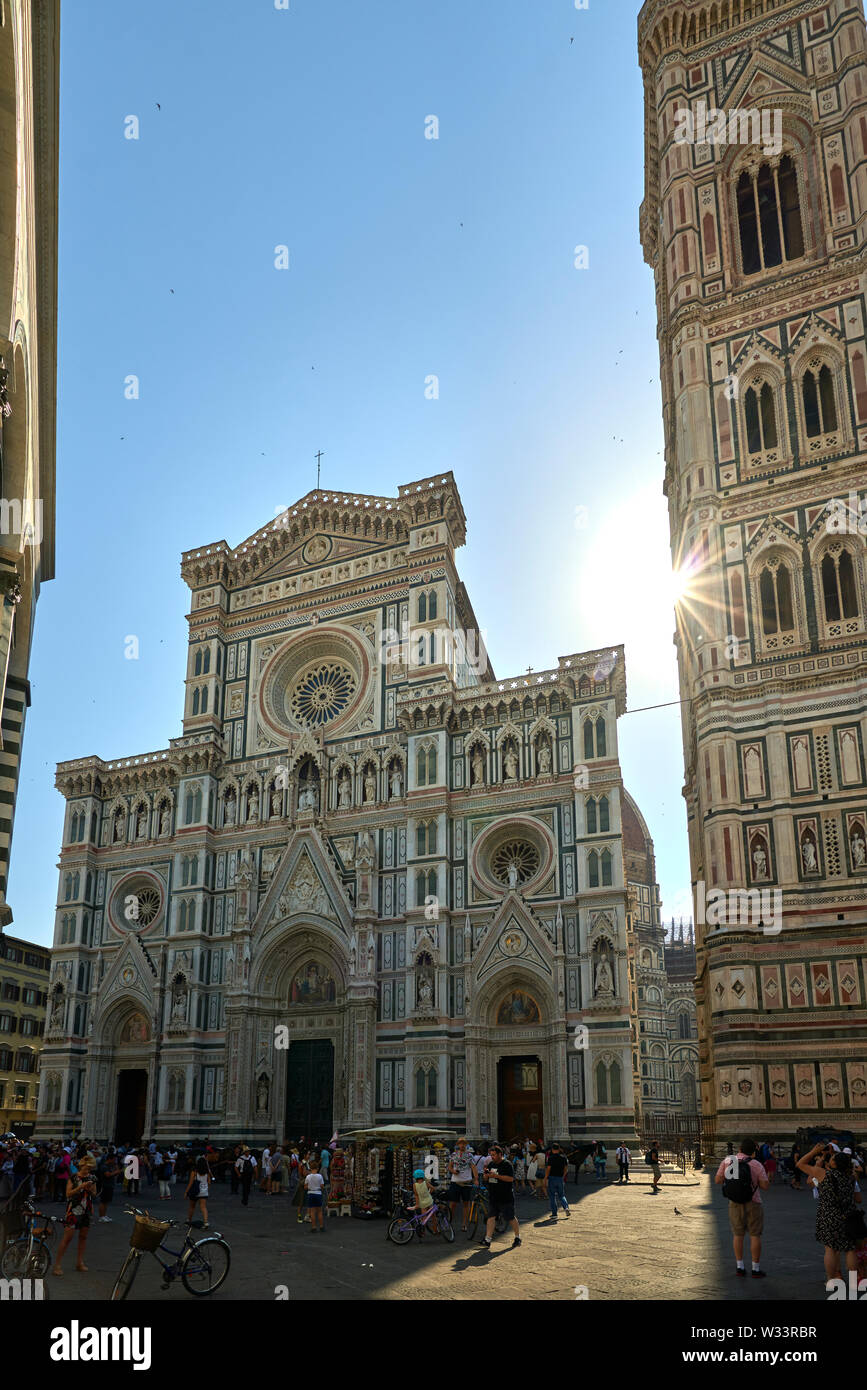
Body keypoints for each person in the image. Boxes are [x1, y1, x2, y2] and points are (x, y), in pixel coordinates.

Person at [797, 1142, 864, 1284]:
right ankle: (853, 1281)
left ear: (833, 1164)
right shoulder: (851, 1177)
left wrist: (815, 1152)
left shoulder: (823, 1174)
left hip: (828, 1216)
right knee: (850, 1249)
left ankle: (832, 1279)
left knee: (830, 1250)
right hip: (848, 1216)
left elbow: (800, 1164)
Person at [714, 1136, 770, 1278]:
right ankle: (755, 1269)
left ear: (739, 1149)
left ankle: (740, 1267)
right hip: (754, 1202)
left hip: (734, 1202)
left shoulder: (728, 1161)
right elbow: (765, 1186)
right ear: (753, 1152)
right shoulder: (756, 1164)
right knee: (755, 1235)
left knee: (738, 1235)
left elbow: (718, 1180)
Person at [52, 1155, 98, 1275]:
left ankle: (79, 1262)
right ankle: (57, 1265)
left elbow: (94, 1194)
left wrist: (90, 1189)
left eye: (90, 1168)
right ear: (82, 1166)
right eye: (87, 1168)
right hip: (73, 1210)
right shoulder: (73, 1177)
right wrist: (81, 1187)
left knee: (83, 1237)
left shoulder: (92, 1178)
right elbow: (68, 1194)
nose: (88, 1170)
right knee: (67, 1238)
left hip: (86, 1210)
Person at [479, 1144, 521, 1250]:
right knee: (491, 1217)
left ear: (500, 1154)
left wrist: (496, 1176)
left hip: (505, 1196)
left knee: (510, 1217)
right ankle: (488, 1239)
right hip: (493, 1195)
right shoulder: (491, 1164)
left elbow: (511, 1179)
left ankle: (517, 1237)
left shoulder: (507, 1164)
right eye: (491, 1155)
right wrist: (486, 1175)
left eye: (493, 1155)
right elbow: (486, 1179)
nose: (492, 1157)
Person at [447, 1137, 478, 1231]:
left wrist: (476, 1179)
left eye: (464, 1143)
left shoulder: (470, 1155)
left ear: (466, 1145)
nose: (462, 1145)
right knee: (452, 1204)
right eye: (460, 1143)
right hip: (455, 1182)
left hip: (466, 1182)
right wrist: (453, 1171)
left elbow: (473, 1168)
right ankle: (449, 1222)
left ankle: (465, 1223)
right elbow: (449, 1167)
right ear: (457, 1145)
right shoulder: (453, 1155)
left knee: (466, 1203)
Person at [405, 1167, 438, 1235]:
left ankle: (423, 1232)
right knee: (433, 1216)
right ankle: (435, 1230)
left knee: (424, 1217)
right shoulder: (426, 1183)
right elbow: (433, 1188)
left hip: (422, 1203)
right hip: (429, 1201)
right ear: (422, 1176)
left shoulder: (415, 1185)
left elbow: (416, 1195)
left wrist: (417, 1204)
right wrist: (429, 1193)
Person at [545, 1142, 570, 1219]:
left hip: (552, 1178)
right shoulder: (563, 1158)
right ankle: (566, 1207)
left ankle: (554, 1213)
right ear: (559, 1149)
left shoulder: (551, 1158)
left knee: (552, 1196)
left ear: (552, 1150)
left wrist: (545, 1178)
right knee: (561, 1195)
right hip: (560, 1178)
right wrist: (563, 1176)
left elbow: (548, 1169)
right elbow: (566, 1169)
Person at [186, 1155, 211, 1228]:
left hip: (195, 1191)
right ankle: (206, 1222)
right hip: (204, 1192)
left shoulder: (194, 1172)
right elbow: (209, 1182)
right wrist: (206, 1188)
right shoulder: (207, 1172)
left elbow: (190, 1183)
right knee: (203, 1207)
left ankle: (189, 1220)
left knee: (192, 1206)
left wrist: (186, 1192)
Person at [97, 1146, 119, 1222]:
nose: (115, 1161)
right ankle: (101, 1216)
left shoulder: (110, 1166)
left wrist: (116, 1169)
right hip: (105, 1185)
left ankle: (104, 1215)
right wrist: (116, 1172)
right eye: (114, 1159)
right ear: (110, 1159)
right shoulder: (104, 1166)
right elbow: (108, 1175)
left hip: (110, 1185)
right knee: (103, 1201)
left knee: (106, 1202)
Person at [304, 1161, 326, 1233]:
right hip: (318, 1193)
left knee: (312, 1212)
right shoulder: (320, 1176)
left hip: (310, 1193)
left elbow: (305, 1187)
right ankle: (321, 1226)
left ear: (310, 1168)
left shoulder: (308, 1177)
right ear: (317, 1168)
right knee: (319, 1211)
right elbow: (322, 1186)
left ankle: (313, 1227)